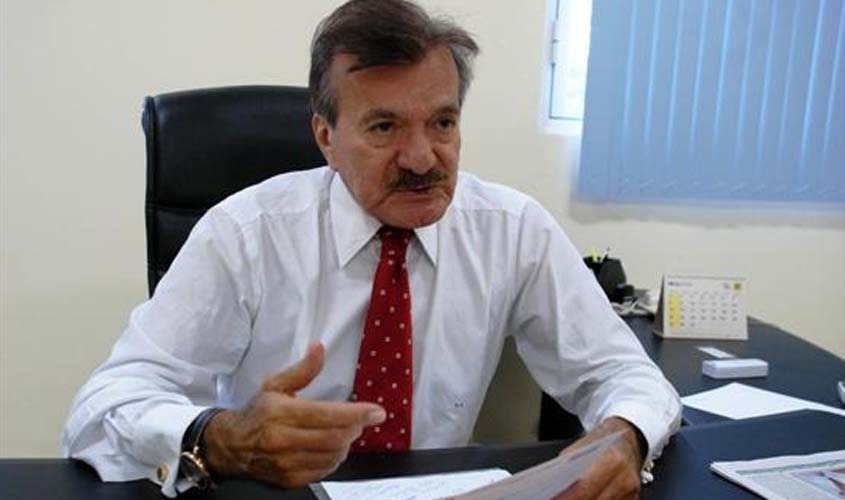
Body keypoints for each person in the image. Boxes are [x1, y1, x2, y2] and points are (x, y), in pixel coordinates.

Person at [62, 0, 681, 498]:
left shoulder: (512, 229)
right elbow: (102, 408)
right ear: (325, 137)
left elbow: (625, 375)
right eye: (385, 127)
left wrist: (625, 436)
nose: (423, 158)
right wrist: (221, 437)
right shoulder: (247, 233)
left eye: (442, 123)